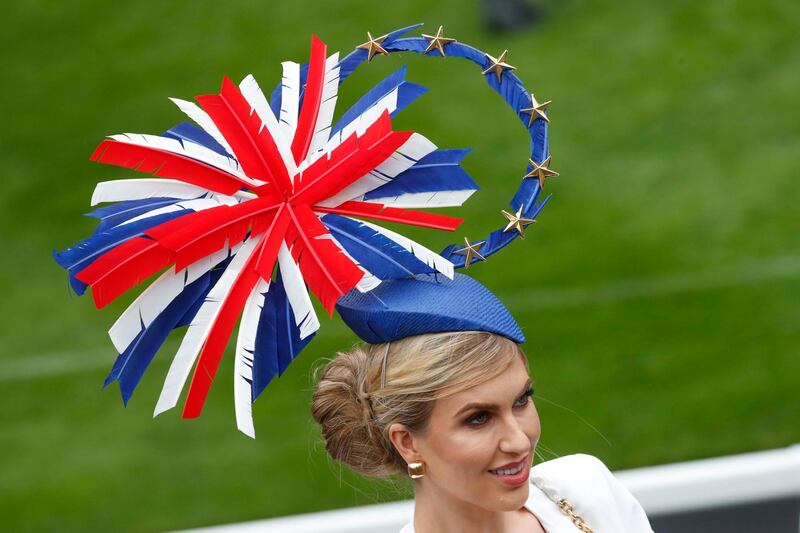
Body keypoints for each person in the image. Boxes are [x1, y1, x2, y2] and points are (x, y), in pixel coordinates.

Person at [312, 274, 654, 533]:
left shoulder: (587, 488)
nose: (519, 440)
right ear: (407, 443)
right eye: (478, 419)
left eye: (522, 400)